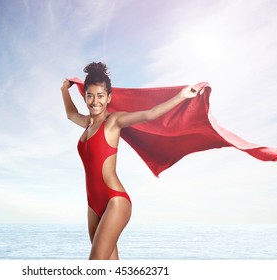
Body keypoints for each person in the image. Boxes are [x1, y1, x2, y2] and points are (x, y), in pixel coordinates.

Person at [61, 62, 199, 260]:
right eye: (90, 95)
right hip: (93, 205)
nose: (94, 101)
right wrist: (64, 89)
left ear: (109, 97)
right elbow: (70, 114)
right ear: (84, 97)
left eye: (100, 96)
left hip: (115, 201)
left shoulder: (113, 122)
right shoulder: (87, 123)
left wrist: (182, 95)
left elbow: (149, 114)